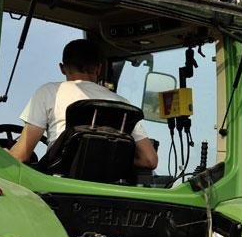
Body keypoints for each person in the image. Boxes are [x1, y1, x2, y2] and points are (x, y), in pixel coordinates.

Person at [9, 39, 159, 170]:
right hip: (109, 192)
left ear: (62, 68)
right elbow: (149, 160)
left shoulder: (50, 92)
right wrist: (110, 161)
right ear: (99, 69)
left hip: (57, 188)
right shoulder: (122, 104)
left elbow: (21, 155)